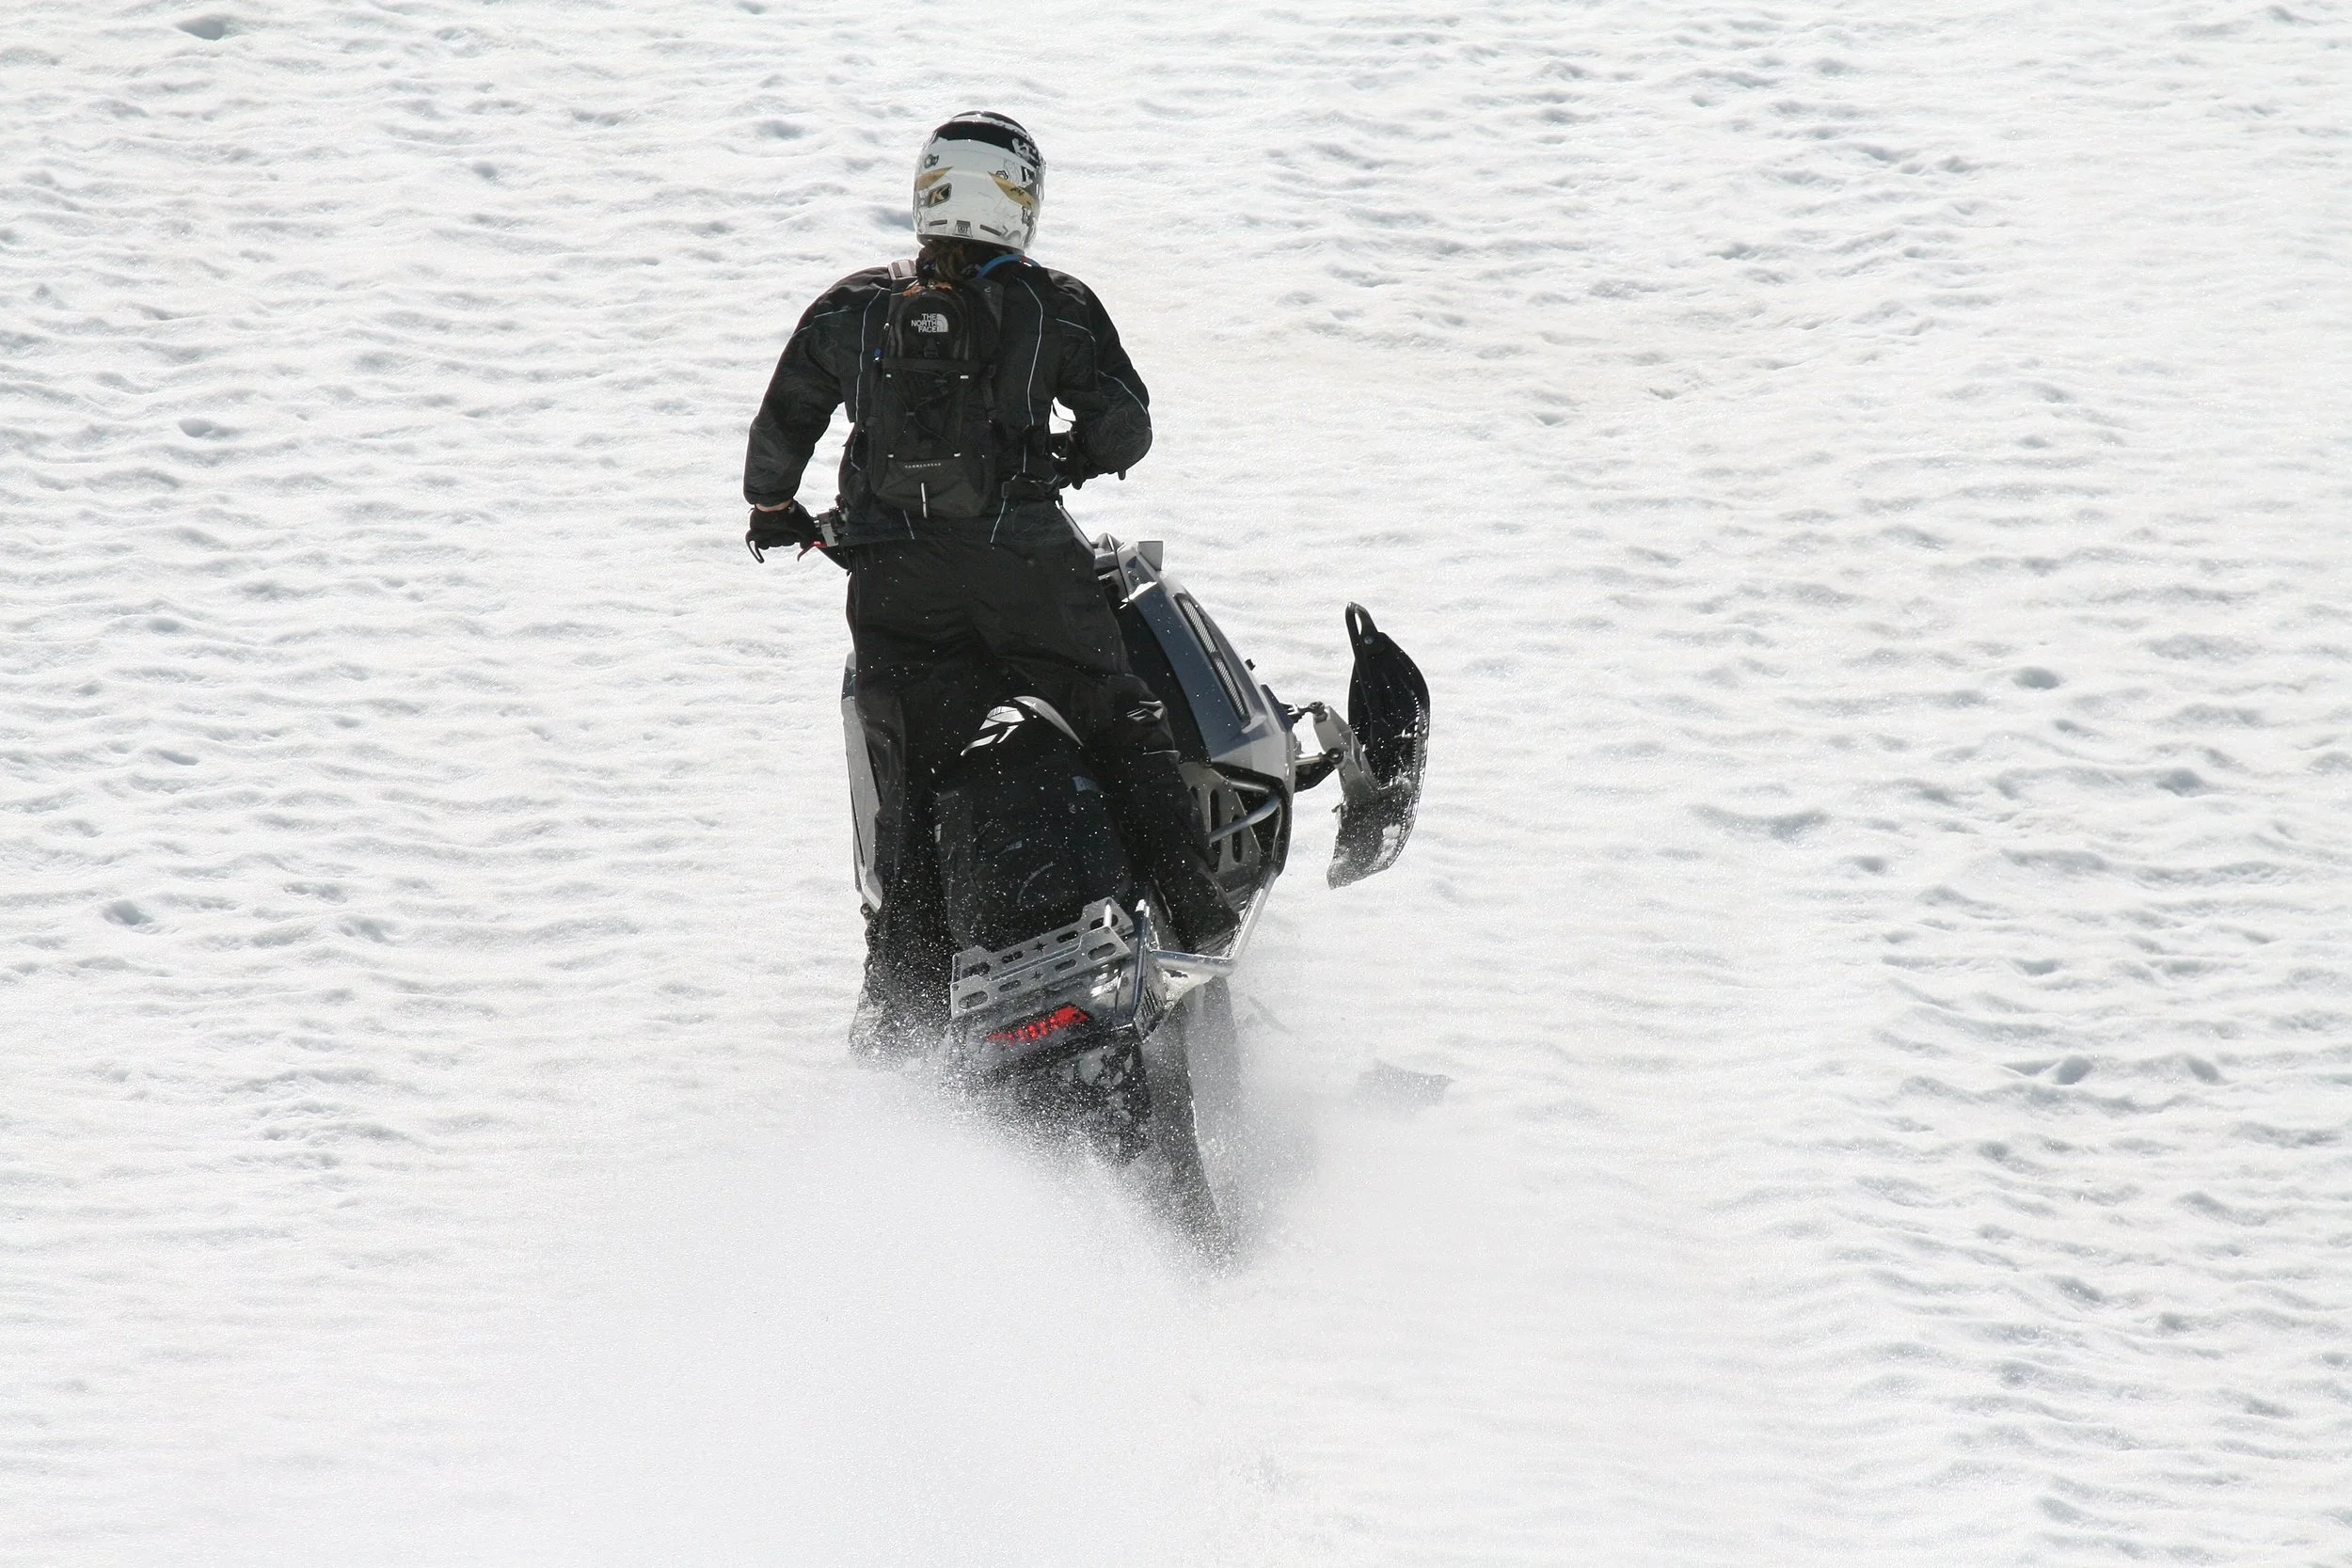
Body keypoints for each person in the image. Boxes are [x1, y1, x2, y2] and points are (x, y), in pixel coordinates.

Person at [740, 111, 1237, 1052]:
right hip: (1029, 575)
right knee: (1114, 711)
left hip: (894, 592)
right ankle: (1196, 905)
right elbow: (1126, 425)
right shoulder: (1052, 304)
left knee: (910, 786)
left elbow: (784, 420)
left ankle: (903, 1002)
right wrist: (1067, 459)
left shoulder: (856, 306)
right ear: (1020, 203)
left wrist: (775, 510)